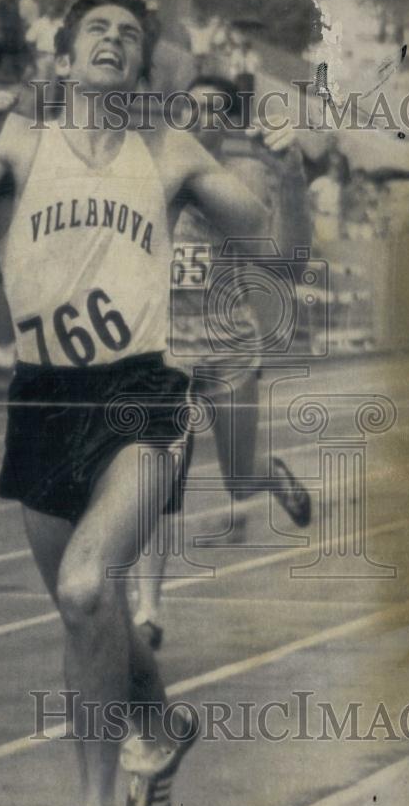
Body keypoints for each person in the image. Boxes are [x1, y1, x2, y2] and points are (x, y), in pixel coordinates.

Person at [0, 0, 267, 806]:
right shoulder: (18, 144)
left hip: (140, 397)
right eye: (95, 30)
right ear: (63, 60)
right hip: (45, 400)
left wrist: (247, 159)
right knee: (87, 620)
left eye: (128, 37)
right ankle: (161, 725)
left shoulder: (165, 148)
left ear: (141, 69)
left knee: (88, 587)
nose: (111, 42)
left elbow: (254, 227)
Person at [131, 75, 312, 646]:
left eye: (216, 109)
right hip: (168, 355)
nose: (202, 117)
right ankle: (148, 611)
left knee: (239, 481)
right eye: (192, 106)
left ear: (227, 123)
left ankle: (269, 474)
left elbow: (290, 263)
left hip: (231, 349)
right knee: (159, 481)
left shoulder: (239, 184)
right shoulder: (149, 176)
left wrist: (293, 180)